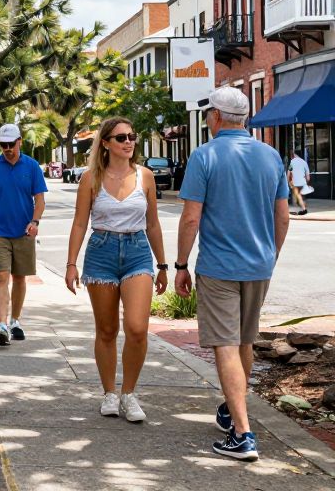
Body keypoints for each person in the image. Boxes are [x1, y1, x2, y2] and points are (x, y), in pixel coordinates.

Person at [176, 87, 289, 462]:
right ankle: (232, 407)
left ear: (216, 118)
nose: (208, 119)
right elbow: (282, 216)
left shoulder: (204, 156)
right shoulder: (271, 156)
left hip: (219, 267)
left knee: (225, 344)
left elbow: (191, 217)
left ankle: (242, 434)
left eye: (209, 113)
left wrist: (179, 265)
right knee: (243, 342)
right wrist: (269, 256)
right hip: (259, 265)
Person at [64, 117, 168, 422]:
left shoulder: (145, 176)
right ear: (106, 143)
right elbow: (80, 223)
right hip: (101, 252)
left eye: (132, 136)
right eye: (121, 137)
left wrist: (163, 265)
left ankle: (129, 394)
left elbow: (153, 224)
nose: (128, 142)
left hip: (138, 253)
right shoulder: (90, 179)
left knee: (137, 328)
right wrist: (71, 264)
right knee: (107, 329)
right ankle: (109, 392)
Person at [0, 123, 48, 346]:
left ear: (20, 142)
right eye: (3, 145)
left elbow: (40, 200)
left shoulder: (32, 166)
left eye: (11, 144)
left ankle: (15, 320)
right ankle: (2, 324)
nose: (7, 148)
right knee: (1, 276)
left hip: (24, 231)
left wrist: (35, 221)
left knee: (20, 277)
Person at [288, 148, 310, 216]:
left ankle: (304, 209)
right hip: (303, 182)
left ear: (295, 154)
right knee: (301, 196)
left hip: (295, 183)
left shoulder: (292, 162)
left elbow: (288, 173)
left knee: (298, 196)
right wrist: (306, 182)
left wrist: (288, 181)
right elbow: (308, 177)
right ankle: (303, 206)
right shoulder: (304, 162)